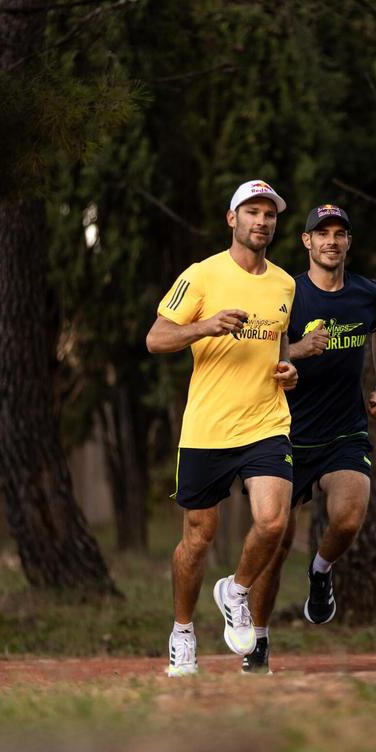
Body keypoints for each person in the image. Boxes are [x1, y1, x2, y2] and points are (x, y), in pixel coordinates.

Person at [146, 180, 298, 677]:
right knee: (198, 538)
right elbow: (156, 338)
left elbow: (277, 347)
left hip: (266, 422)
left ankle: (235, 590)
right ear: (231, 219)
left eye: (269, 215)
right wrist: (203, 326)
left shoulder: (284, 284)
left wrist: (288, 368)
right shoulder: (201, 275)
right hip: (208, 428)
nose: (261, 221)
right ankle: (183, 631)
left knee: (274, 522)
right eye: (251, 212)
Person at [242, 203, 376, 673]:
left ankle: (321, 573)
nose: (331, 241)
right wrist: (299, 351)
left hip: (345, 431)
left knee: (349, 518)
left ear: (348, 242)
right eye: (321, 233)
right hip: (284, 433)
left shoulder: (366, 294)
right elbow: (255, 353)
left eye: (339, 233)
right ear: (306, 242)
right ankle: (259, 642)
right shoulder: (288, 294)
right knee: (276, 541)